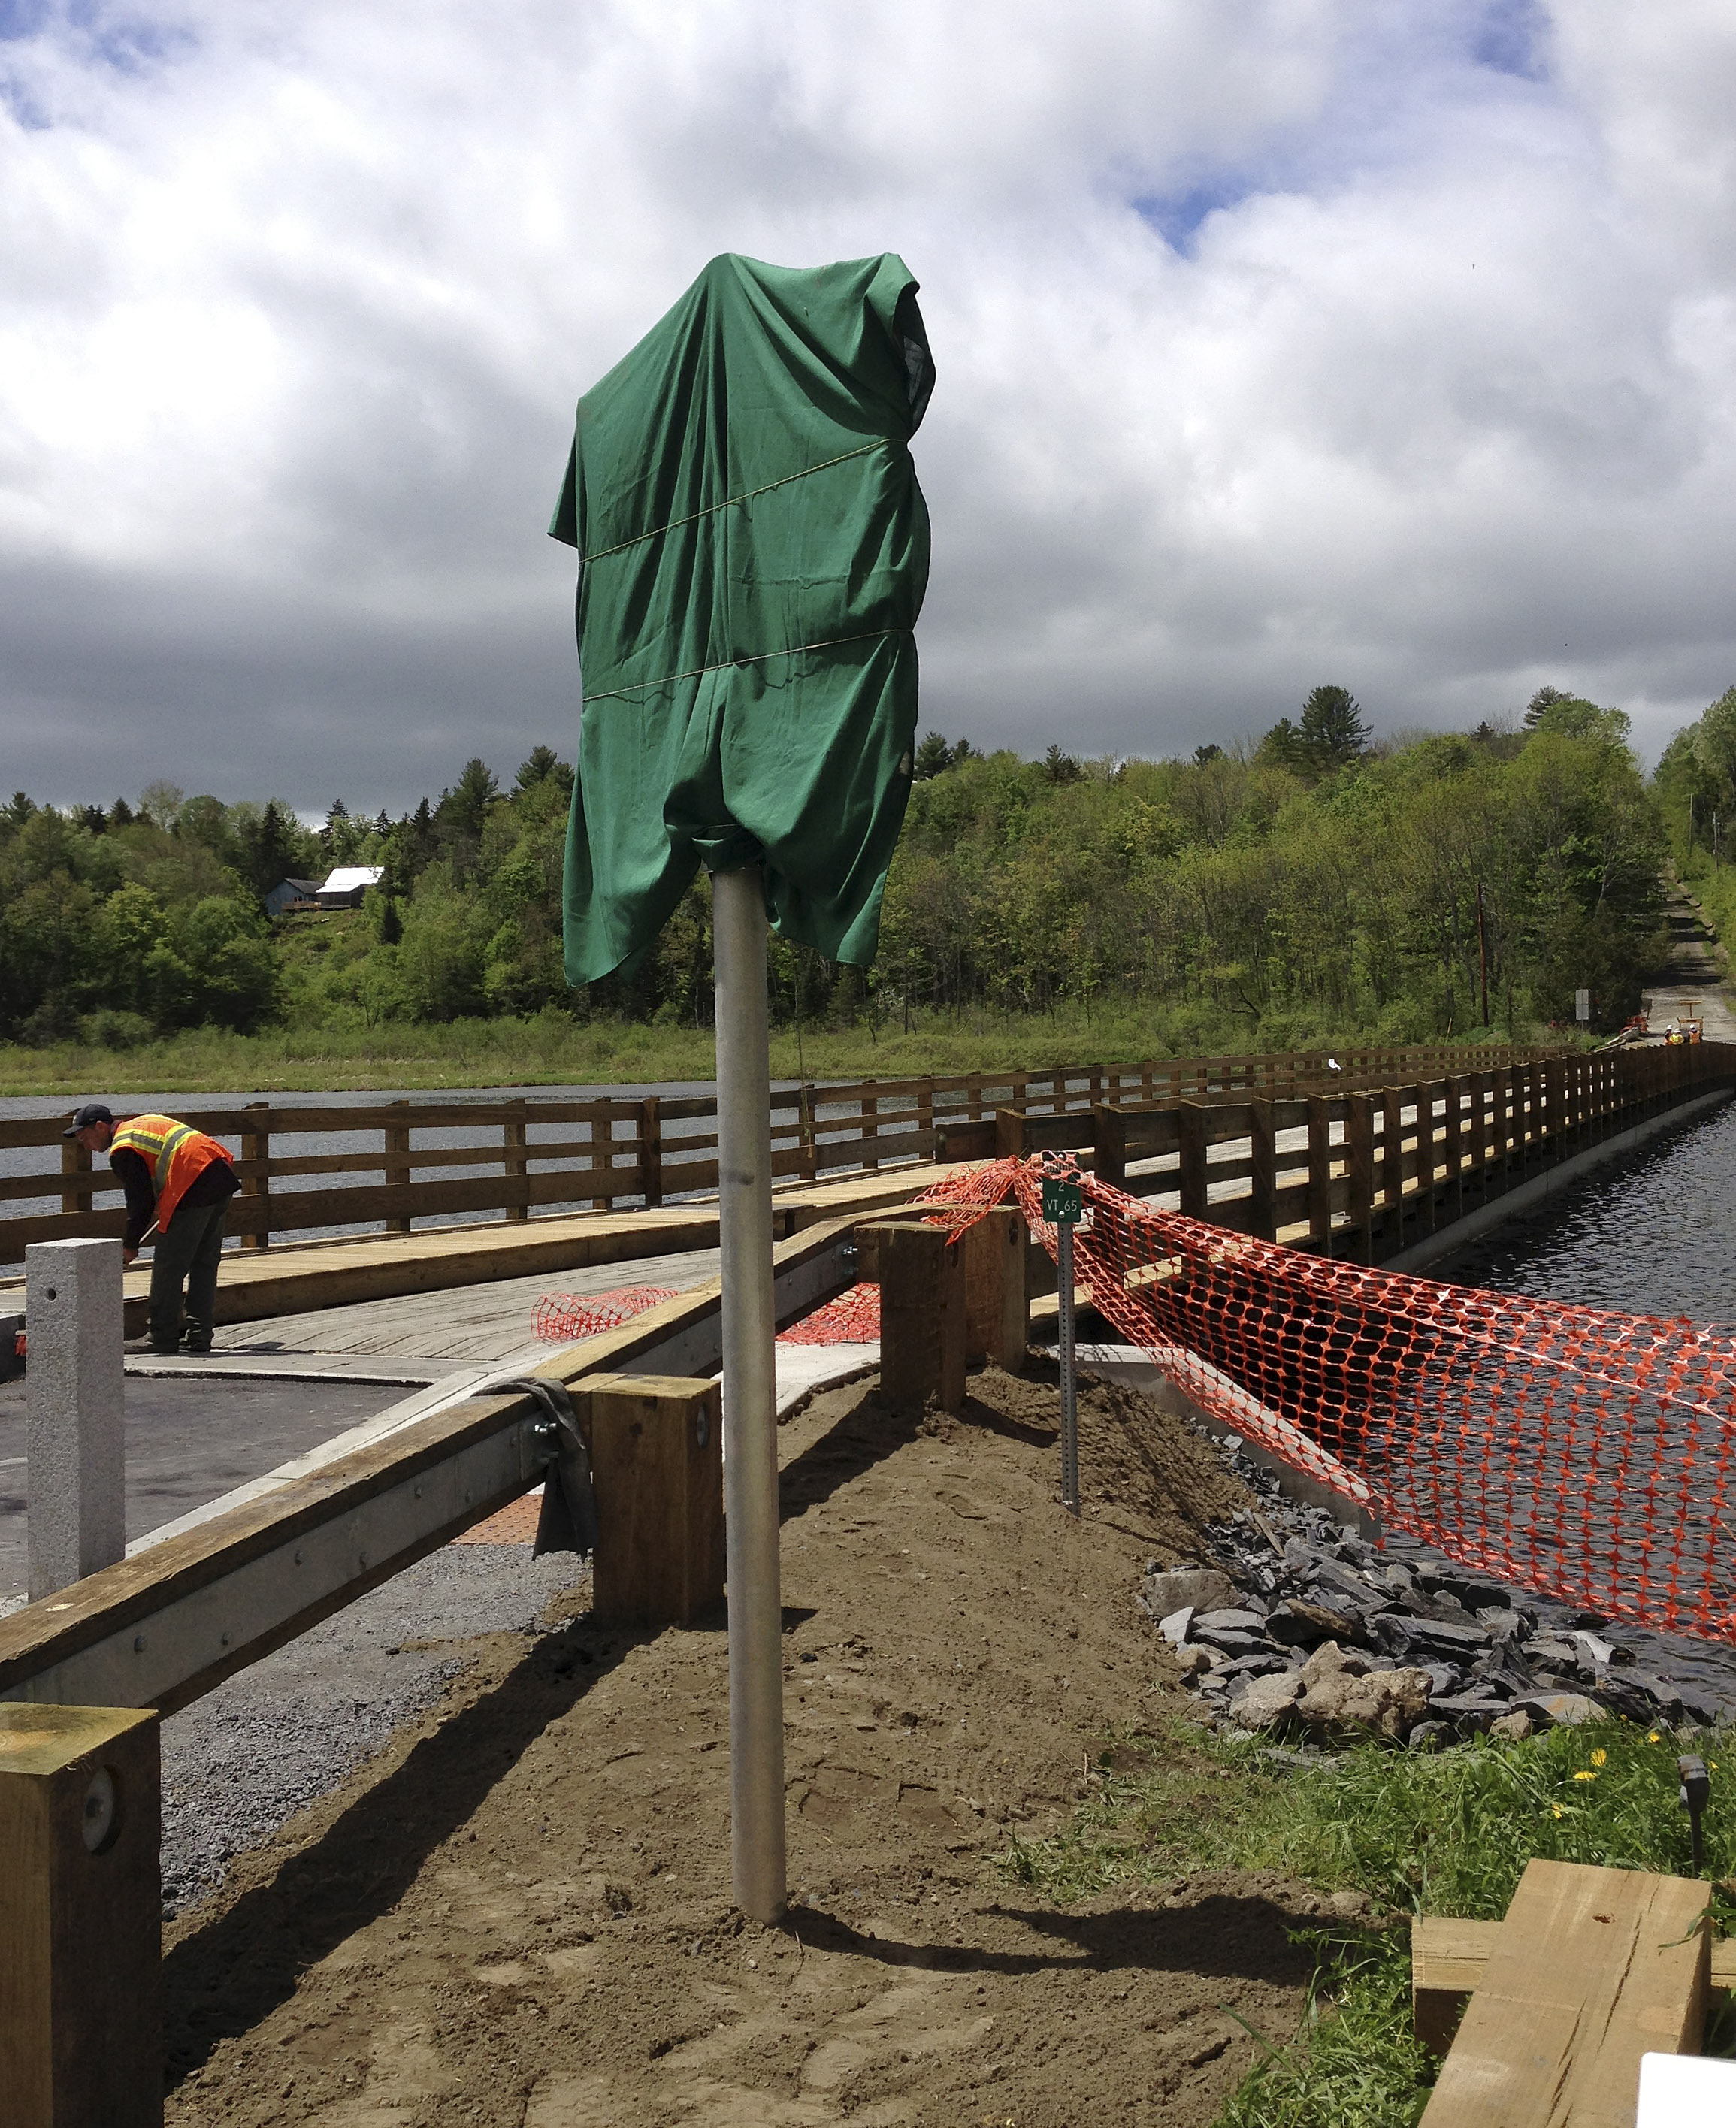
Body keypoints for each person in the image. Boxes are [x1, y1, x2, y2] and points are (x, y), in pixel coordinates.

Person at [64, 1103, 240, 1356]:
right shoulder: (141, 1123)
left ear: (100, 1127)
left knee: (168, 1265)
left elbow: (140, 1202)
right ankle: (199, 1336)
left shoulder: (123, 1149)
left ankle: (161, 1336)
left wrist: (130, 1245)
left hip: (193, 1179)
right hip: (219, 1172)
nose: (86, 1146)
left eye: (85, 1138)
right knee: (204, 1262)